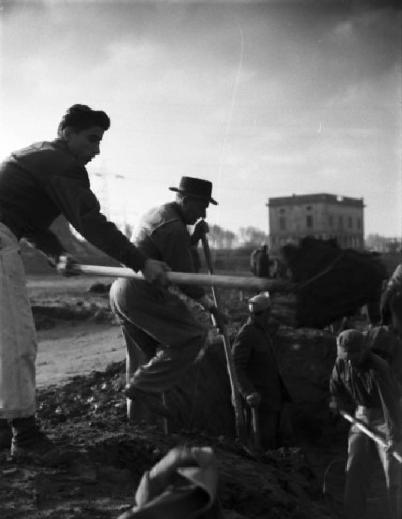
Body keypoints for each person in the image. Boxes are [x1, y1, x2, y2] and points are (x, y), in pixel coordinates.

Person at [0, 104, 169, 459]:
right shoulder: (64, 167)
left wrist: (56, 253)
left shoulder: (33, 155)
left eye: (100, 141)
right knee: (17, 338)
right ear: (67, 133)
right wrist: (141, 262)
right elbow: (90, 222)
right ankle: (25, 437)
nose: (96, 150)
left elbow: (28, 221)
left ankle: (4, 426)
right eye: (91, 139)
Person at [109, 176, 224, 421]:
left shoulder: (161, 215)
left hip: (122, 289)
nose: (203, 212)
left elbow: (170, 253)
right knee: (192, 336)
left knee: (144, 358)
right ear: (184, 200)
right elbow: (185, 277)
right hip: (141, 292)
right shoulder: (173, 227)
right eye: (201, 205)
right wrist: (211, 307)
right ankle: (141, 388)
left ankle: (140, 424)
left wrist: (192, 238)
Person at [329, 329, 402, 519]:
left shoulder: (378, 368)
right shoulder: (341, 362)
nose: (350, 360)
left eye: (353, 354)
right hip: (361, 415)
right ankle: (353, 515)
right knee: (355, 463)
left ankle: (398, 518)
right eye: (346, 355)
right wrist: (336, 402)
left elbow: (390, 404)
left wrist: (394, 437)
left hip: (385, 416)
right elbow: (335, 388)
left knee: (393, 467)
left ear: (364, 350)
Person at [231, 292, 293, 450]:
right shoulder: (247, 334)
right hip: (259, 402)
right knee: (262, 444)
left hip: (272, 399)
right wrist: (248, 392)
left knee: (274, 441)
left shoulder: (261, 330)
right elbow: (235, 366)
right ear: (265, 313)